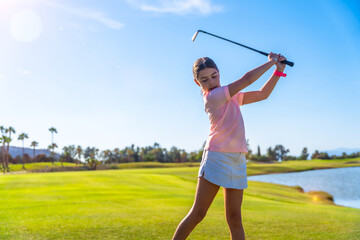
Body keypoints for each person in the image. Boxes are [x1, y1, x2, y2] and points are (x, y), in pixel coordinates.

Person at [172, 53, 287, 240]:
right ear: (197, 83)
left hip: (237, 159)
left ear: (219, 73)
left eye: (214, 76)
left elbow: (262, 95)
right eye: (204, 80)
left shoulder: (230, 96)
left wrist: (277, 71)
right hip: (217, 157)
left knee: (234, 219)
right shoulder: (213, 97)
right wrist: (271, 62)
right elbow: (247, 79)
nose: (211, 81)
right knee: (198, 213)